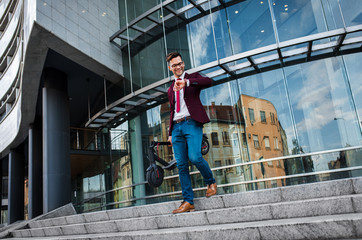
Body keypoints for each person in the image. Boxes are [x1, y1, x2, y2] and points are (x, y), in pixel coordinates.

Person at [166, 51, 217, 214]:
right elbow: (172, 110)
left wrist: (187, 83)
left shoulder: (192, 77)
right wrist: (170, 133)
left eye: (180, 63)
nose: (178, 67)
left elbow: (208, 81)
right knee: (181, 165)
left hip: (191, 123)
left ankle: (211, 181)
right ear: (170, 68)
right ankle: (188, 201)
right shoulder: (169, 90)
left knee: (195, 157)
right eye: (174, 65)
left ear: (183, 63)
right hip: (176, 127)